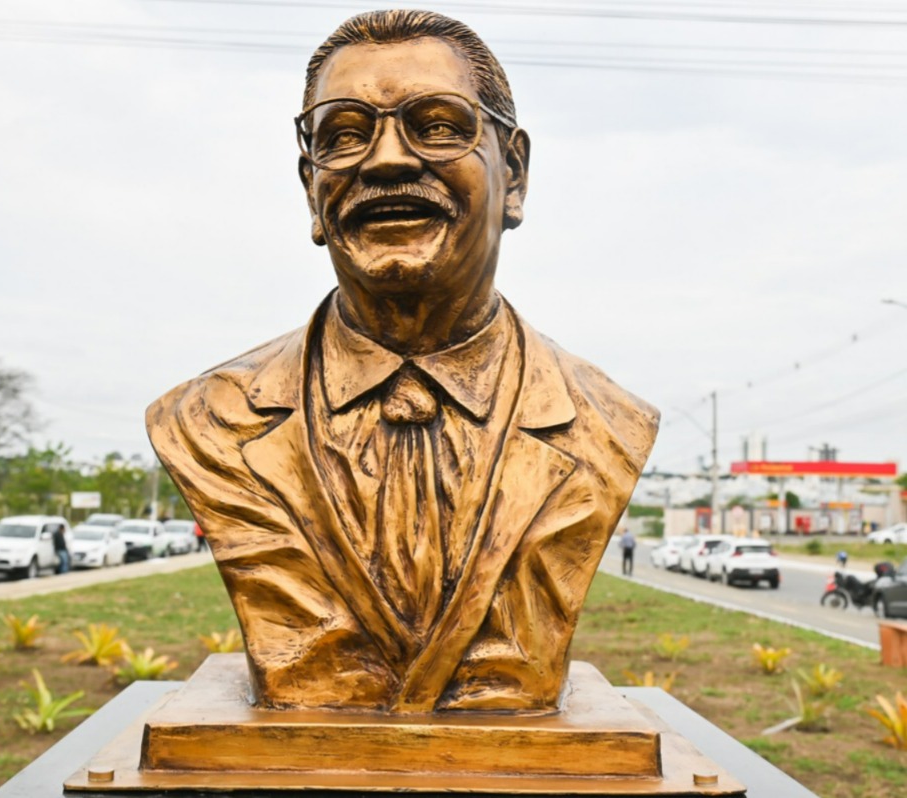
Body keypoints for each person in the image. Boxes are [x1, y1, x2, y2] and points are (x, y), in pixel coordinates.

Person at [147, 9, 658, 714]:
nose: (386, 160)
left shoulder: (611, 424)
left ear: (513, 174)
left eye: (437, 126)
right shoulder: (205, 422)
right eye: (344, 135)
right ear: (311, 187)